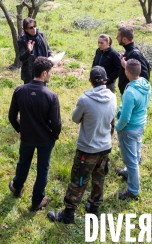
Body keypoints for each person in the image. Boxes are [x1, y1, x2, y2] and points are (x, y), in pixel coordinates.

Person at [47, 66, 116, 224]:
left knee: (78, 181)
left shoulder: (85, 100)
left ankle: (68, 215)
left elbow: (75, 118)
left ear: (90, 81)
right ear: (105, 80)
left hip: (87, 149)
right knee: (99, 179)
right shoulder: (112, 97)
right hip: (105, 146)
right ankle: (94, 208)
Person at [8, 57, 61, 211]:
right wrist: (54, 135)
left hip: (27, 137)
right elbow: (56, 123)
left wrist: (20, 129)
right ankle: (37, 201)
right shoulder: (51, 95)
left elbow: (12, 117)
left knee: (23, 163)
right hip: (45, 139)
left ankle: (17, 186)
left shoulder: (19, 90)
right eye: (50, 72)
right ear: (44, 73)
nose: (51, 74)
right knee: (42, 169)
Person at [115, 59, 151, 200]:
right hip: (140, 124)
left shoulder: (130, 92)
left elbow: (125, 118)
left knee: (131, 160)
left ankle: (133, 190)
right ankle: (127, 173)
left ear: (126, 72)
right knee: (135, 152)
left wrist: (118, 128)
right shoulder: (144, 83)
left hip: (129, 129)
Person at [116, 26, 151, 94]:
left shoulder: (135, 54)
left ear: (124, 39)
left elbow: (145, 76)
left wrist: (126, 66)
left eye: (118, 36)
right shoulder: (129, 52)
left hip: (132, 95)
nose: (116, 38)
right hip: (128, 93)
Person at [18, 17, 53, 84]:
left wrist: (50, 53)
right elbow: (21, 58)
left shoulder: (40, 34)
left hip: (42, 69)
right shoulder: (22, 40)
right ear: (26, 29)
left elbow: (47, 48)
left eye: (34, 26)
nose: (34, 29)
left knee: (42, 90)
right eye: (31, 28)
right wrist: (28, 51)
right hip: (30, 73)